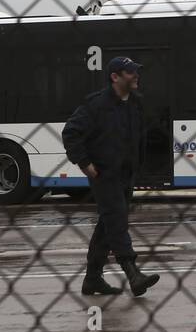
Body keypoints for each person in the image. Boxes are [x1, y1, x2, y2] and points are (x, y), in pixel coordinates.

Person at [62, 56, 161, 297]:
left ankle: (92, 279)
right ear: (115, 77)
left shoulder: (136, 103)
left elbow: (138, 137)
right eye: (130, 73)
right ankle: (133, 274)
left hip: (126, 174)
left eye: (136, 72)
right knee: (117, 221)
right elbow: (71, 132)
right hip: (105, 175)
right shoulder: (96, 105)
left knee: (108, 225)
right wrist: (85, 164)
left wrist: (139, 166)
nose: (136, 76)